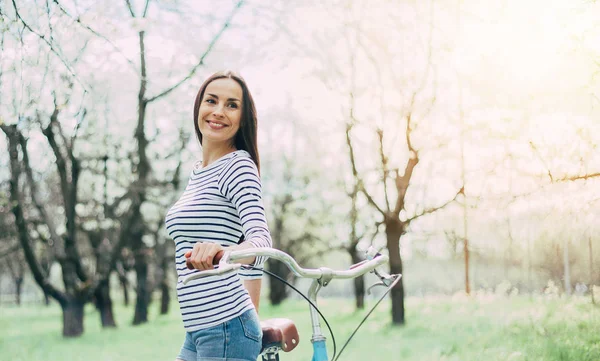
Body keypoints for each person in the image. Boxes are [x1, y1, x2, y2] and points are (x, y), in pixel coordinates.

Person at [165, 70, 272, 361]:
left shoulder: (238, 166)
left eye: (232, 105)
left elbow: (261, 242)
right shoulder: (199, 172)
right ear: (199, 107)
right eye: (211, 100)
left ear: (243, 117)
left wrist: (225, 252)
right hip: (200, 328)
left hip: (226, 328)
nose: (219, 111)